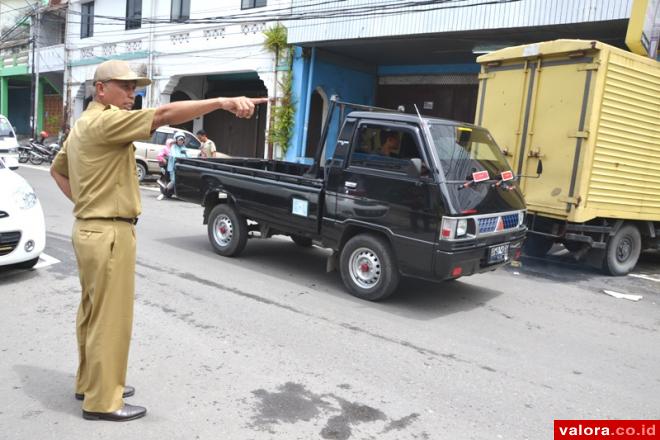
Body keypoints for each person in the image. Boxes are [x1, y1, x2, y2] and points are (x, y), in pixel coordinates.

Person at [49, 59, 266, 422]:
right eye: (125, 86)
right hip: (109, 232)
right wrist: (222, 102)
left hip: (90, 228)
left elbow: (57, 171)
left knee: (91, 313)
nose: (132, 94)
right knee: (111, 319)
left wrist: (88, 205)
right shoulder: (105, 120)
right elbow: (163, 114)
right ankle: (103, 401)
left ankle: (91, 383)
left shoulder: (83, 124)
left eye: (135, 88)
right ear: (100, 89)